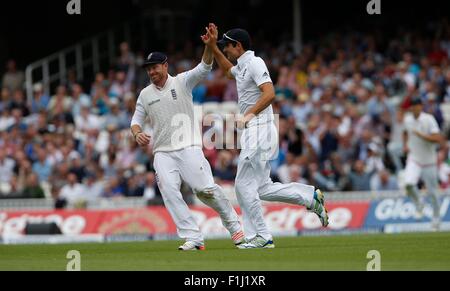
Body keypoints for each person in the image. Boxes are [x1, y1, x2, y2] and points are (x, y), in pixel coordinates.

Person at [203, 23, 328, 249]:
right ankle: (310, 198)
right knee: (262, 188)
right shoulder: (241, 66)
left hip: (260, 127)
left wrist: (248, 115)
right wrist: (213, 47)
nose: (227, 51)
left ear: (238, 46)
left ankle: (261, 236)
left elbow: (270, 93)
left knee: (242, 184)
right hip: (256, 130)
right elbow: (226, 69)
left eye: (227, 47)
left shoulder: (255, 62)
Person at [130, 32, 244, 251]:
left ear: (165, 66)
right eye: (149, 68)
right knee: (170, 193)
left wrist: (210, 46)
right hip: (162, 152)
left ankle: (234, 226)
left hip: (189, 148)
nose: (152, 72)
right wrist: (137, 133)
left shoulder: (182, 81)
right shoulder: (145, 94)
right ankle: (193, 237)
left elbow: (204, 67)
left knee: (205, 190)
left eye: (155, 67)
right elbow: (136, 120)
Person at [403, 97, 443, 230]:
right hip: (414, 158)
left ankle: (436, 218)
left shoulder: (428, 119)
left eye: (418, 106)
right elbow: (405, 132)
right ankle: (419, 203)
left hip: (429, 161)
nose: (416, 108)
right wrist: (405, 145)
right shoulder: (407, 119)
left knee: (433, 193)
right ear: (411, 108)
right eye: (413, 106)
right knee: (408, 184)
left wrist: (420, 135)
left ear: (421, 107)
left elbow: (437, 138)